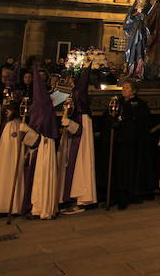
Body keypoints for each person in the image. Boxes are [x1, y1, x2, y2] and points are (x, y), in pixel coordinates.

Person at [19, 66, 60, 219]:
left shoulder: (43, 108)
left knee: (41, 178)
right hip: (41, 147)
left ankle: (41, 207)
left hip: (44, 147)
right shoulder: (41, 106)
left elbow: (39, 136)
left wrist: (25, 131)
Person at [111, 79, 156, 209]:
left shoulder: (140, 105)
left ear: (133, 91)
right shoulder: (118, 102)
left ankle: (131, 192)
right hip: (121, 142)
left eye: (126, 88)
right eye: (123, 88)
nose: (123, 90)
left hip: (133, 143)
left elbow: (141, 123)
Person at [59, 66, 96, 213]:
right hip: (77, 126)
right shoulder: (77, 104)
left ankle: (81, 195)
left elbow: (79, 130)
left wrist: (67, 121)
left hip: (80, 130)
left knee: (81, 160)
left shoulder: (83, 112)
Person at [123, 0, 151, 78]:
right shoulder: (132, 9)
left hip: (143, 35)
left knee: (141, 52)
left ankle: (139, 72)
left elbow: (151, 21)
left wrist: (143, 16)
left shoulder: (149, 8)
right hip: (133, 34)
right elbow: (127, 22)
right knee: (132, 52)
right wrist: (134, 16)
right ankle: (130, 70)